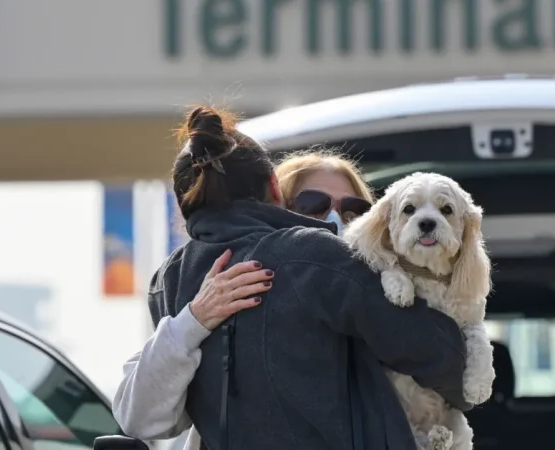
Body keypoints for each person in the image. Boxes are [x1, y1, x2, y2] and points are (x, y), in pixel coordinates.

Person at [113, 106, 472, 450]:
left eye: (354, 210)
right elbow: (447, 359)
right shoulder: (310, 257)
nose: (334, 219)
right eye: (313, 204)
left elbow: (146, 420)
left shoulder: (172, 280)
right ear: (276, 191)